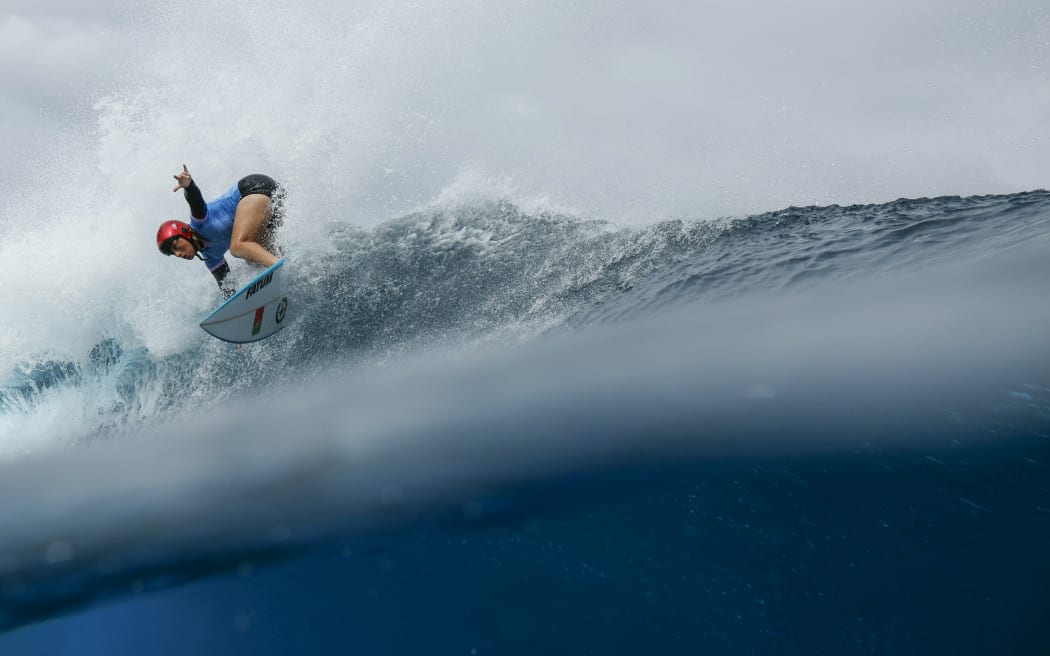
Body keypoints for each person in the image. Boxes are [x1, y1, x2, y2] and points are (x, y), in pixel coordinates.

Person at [156, 165, 284, 298]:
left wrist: (189, 186)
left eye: (176, 246)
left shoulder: (199, 221)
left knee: (238, 246)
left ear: (184, 233)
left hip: (255, 189)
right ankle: (291, 269)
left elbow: (195, 200)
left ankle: (282, 267)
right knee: (255, 260)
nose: (178, 254)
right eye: (173, 253)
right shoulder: (211, 258)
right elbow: (228, 290)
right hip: (272, 210)